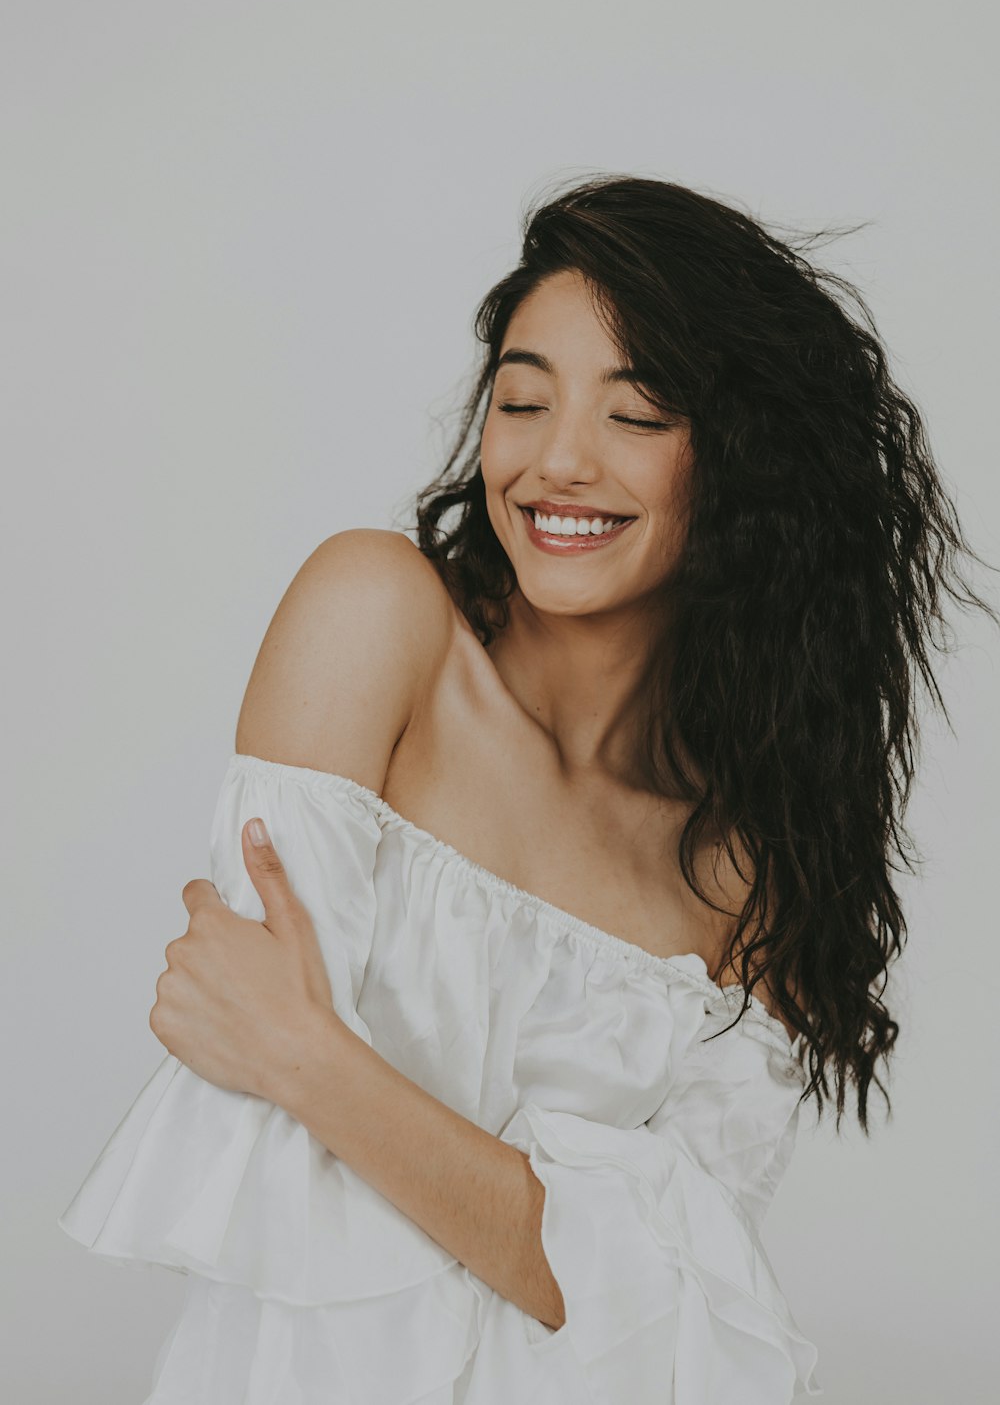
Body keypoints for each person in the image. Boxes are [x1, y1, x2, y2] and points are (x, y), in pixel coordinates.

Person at [57, 174, 996, 1403]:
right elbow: (272, 1157)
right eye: (522, 398)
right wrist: (526, 1212)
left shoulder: (742, 869)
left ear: (740, 461)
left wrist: (314, 1056)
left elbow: (660, 1303)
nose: (558, 460)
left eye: (638, 413)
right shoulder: (372, 616)